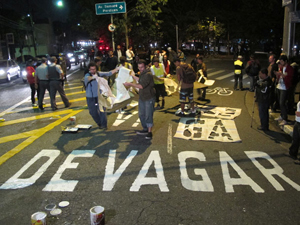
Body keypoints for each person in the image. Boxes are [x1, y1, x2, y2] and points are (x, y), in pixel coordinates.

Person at [123, 59, 155, 140]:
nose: (140, 69)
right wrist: (133, 76)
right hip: (142, 97)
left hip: (149, 97)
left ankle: (149, 132)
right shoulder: (143, 73)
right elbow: (140, 80)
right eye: (139, 67)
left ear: (145, 66)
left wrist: (130, 84)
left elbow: (141, 86)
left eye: (142, 67)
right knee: (141, 114)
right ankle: (145, 129)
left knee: (148, 115)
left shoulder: (148, 74)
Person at [84, 62, 119, 129]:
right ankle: (99, 123)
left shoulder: (99, 73)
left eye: (94, 69)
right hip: (90, 97)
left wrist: (117, 69)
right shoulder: (87, 75)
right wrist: (93, 77)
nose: (93, 71)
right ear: (89, 69)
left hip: (99, 96)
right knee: (92, 112)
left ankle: (104, 125)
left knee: (102, 110)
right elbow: (87, 78)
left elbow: (109, 73)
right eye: (91, 69)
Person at [274, 55, 294, 126]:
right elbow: (280, 76)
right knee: (279, 102)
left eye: (282, 61)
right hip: (279, 86)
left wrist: (282, 75)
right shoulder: (281, 67)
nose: (281, 63)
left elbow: (290, 77)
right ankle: (282, 116)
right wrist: (277, 75)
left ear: (285, 61)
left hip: (285, 87)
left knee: (282, 102)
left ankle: (285, 118)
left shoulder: (289, 68)